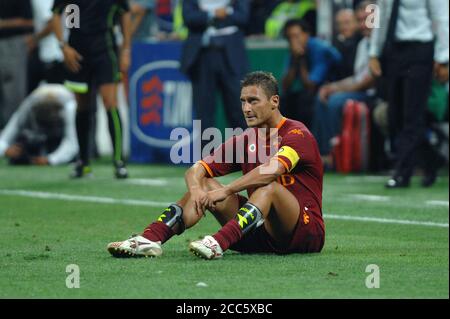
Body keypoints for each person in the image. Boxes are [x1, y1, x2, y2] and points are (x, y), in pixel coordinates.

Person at [107, 71, 325, 259]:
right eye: (243, 101)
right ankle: (149, 239)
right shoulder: (246, 139)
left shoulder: (297, 134)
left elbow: (270, 172)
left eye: (253, 100)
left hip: (304, 234)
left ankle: (217, 243)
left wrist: (227, 190)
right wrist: (197, 190)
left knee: (268, 189)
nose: (246, 108)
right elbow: (196, 169)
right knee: (205, 183)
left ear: (274, 101)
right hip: (258, 234)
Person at [369, 0, 449, 188]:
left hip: (420, 51)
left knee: (412, 116)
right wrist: (374, 52)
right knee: (394, 116)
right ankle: (432, 159)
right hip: (393, 52)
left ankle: (402, 173)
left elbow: (442, 17)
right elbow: (379, 15)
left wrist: (443, 57)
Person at [51, 0, 132, 179]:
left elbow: (125, 12)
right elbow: (56, 13)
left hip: (105, 49)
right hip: (77, 50)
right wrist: (63, 46)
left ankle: (118, 161)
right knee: (82, 105)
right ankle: (84, 162)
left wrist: (126, 48)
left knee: (110, 102)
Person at [312, 1, 375, 162]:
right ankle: (322, 151)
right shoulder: (361, 44)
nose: (363, 25)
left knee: (334, 101)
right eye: (360, 21)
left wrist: (337, 89)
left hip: (373, 93)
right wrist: (332, 87)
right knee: (322, 96)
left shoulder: (374, 43)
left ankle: (336, 152)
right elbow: (357, 77)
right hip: (358, 89)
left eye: (365, 21)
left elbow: (367, 81)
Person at [180, 0, 250, 132]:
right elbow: (189, 17)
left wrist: (227, 13)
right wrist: (214, 13)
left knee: (238, 109)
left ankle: (243, 151)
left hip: (231, 56)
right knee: (204, 114)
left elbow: (243, 16)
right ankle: (208, 152)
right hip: (203, 55)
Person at [281, 18, 342, 128]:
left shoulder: (321, 49)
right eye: (289, 37)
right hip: (313, 91)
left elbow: (311, 85)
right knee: (284, 101)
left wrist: (301, 59)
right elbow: (285, 86)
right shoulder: (293, 52)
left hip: (334, 88)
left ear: (306, 34)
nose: (293, 41)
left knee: (305, 102)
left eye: (296, 36)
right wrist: (295, 59)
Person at [0, 84, 78, 166]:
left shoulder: (70, 107)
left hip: (58, 137)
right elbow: (6, 135)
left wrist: (50, 160)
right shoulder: (28, 106)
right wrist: (5, 150)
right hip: (36, 135)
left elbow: (72, 142)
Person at [0, 0, 34, 129]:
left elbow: (29, 21)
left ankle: (14, 140)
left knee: (13, 96)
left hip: (12, 44)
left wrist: (4, 24)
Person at [27, 0, 66, 93]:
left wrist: (34, 39)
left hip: (52, 55)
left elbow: (52, 23)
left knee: (54, 97)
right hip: (53, 54)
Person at [333, 8, 361, 80]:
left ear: (356, 22)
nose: (343, 27)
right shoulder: (338, 44)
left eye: (347, 22)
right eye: (339, 24)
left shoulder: (363, 42)